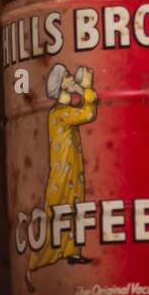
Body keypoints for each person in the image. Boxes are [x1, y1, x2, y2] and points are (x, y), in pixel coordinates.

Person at [28, 63, 98, 271]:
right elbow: (87, 114)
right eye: (67, 77)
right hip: (63, 173)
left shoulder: (64, 111)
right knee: (58, 211)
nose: (71, 78)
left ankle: (73, 252)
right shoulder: (59, 114)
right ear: (60, 86)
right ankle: (34, 264)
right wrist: (85, 88)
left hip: (72, 170)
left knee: (74, 208)